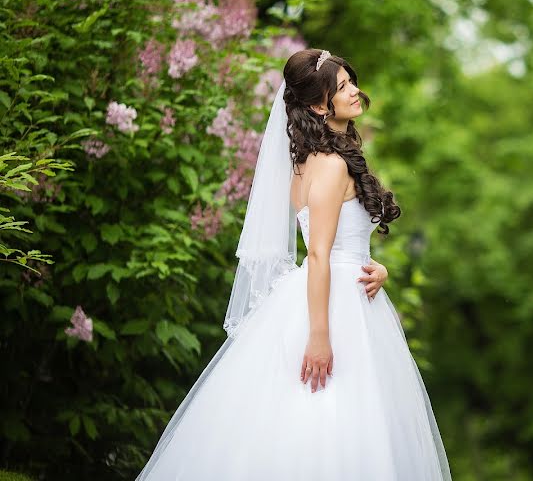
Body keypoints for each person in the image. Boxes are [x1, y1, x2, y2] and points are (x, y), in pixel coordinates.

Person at [136, 49, 452, 480]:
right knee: (333, 422)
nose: (355, 91)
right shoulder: (332, 165)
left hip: (343, 287)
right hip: (333, 306)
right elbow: (319, 252)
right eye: (343, 87)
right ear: (320, 105)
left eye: (351, 81)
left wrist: (380, 269)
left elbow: (345, 245)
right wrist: (319, 337)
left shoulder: (308, 162)